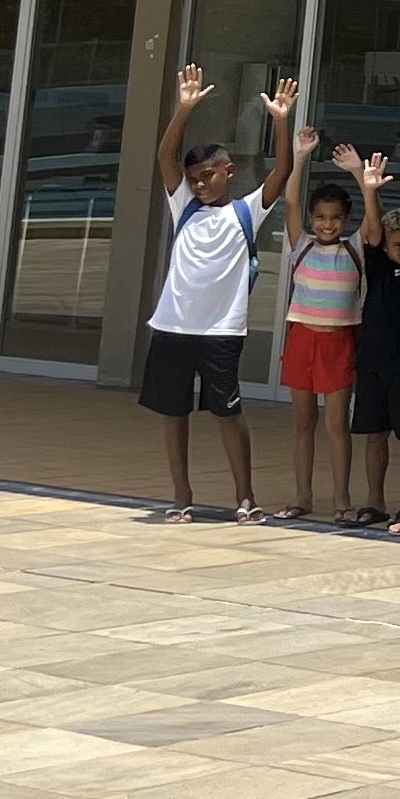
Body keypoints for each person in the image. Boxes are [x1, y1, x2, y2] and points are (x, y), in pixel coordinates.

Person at [137, 63, 303, 524]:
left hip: (221, 331)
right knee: (173, 413)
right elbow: (165, 158)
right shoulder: (183, 206)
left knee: (228, 414)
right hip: (172, 327)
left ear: (229, 171)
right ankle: (181, 495)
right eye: (194, 178)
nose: (199, 183)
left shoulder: (247, 212)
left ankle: (246, 497)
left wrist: (281, 120)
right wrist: (184, 109)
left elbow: (284, 169)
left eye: (208, 175)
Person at [277, 150, 378, 524]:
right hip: (303, 340)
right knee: (303, 423)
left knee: (337, 424)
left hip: (339, 344)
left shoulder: (354, 249)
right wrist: (300, 157)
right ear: (310, 220)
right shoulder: (300, 246)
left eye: (335, 218)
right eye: (319, 217)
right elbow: (289, 200)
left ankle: (341, 500)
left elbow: (374, 219)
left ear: (346, 220)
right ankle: (302, 495)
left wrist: (358, 173)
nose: (327, 224)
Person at [346, 178, 400, 527]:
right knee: (375, 432)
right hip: (372, 360)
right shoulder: (377, 261)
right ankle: (374, 501)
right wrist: (369, 189)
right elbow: (374, 229)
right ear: (386, 246)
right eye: (398, 245)